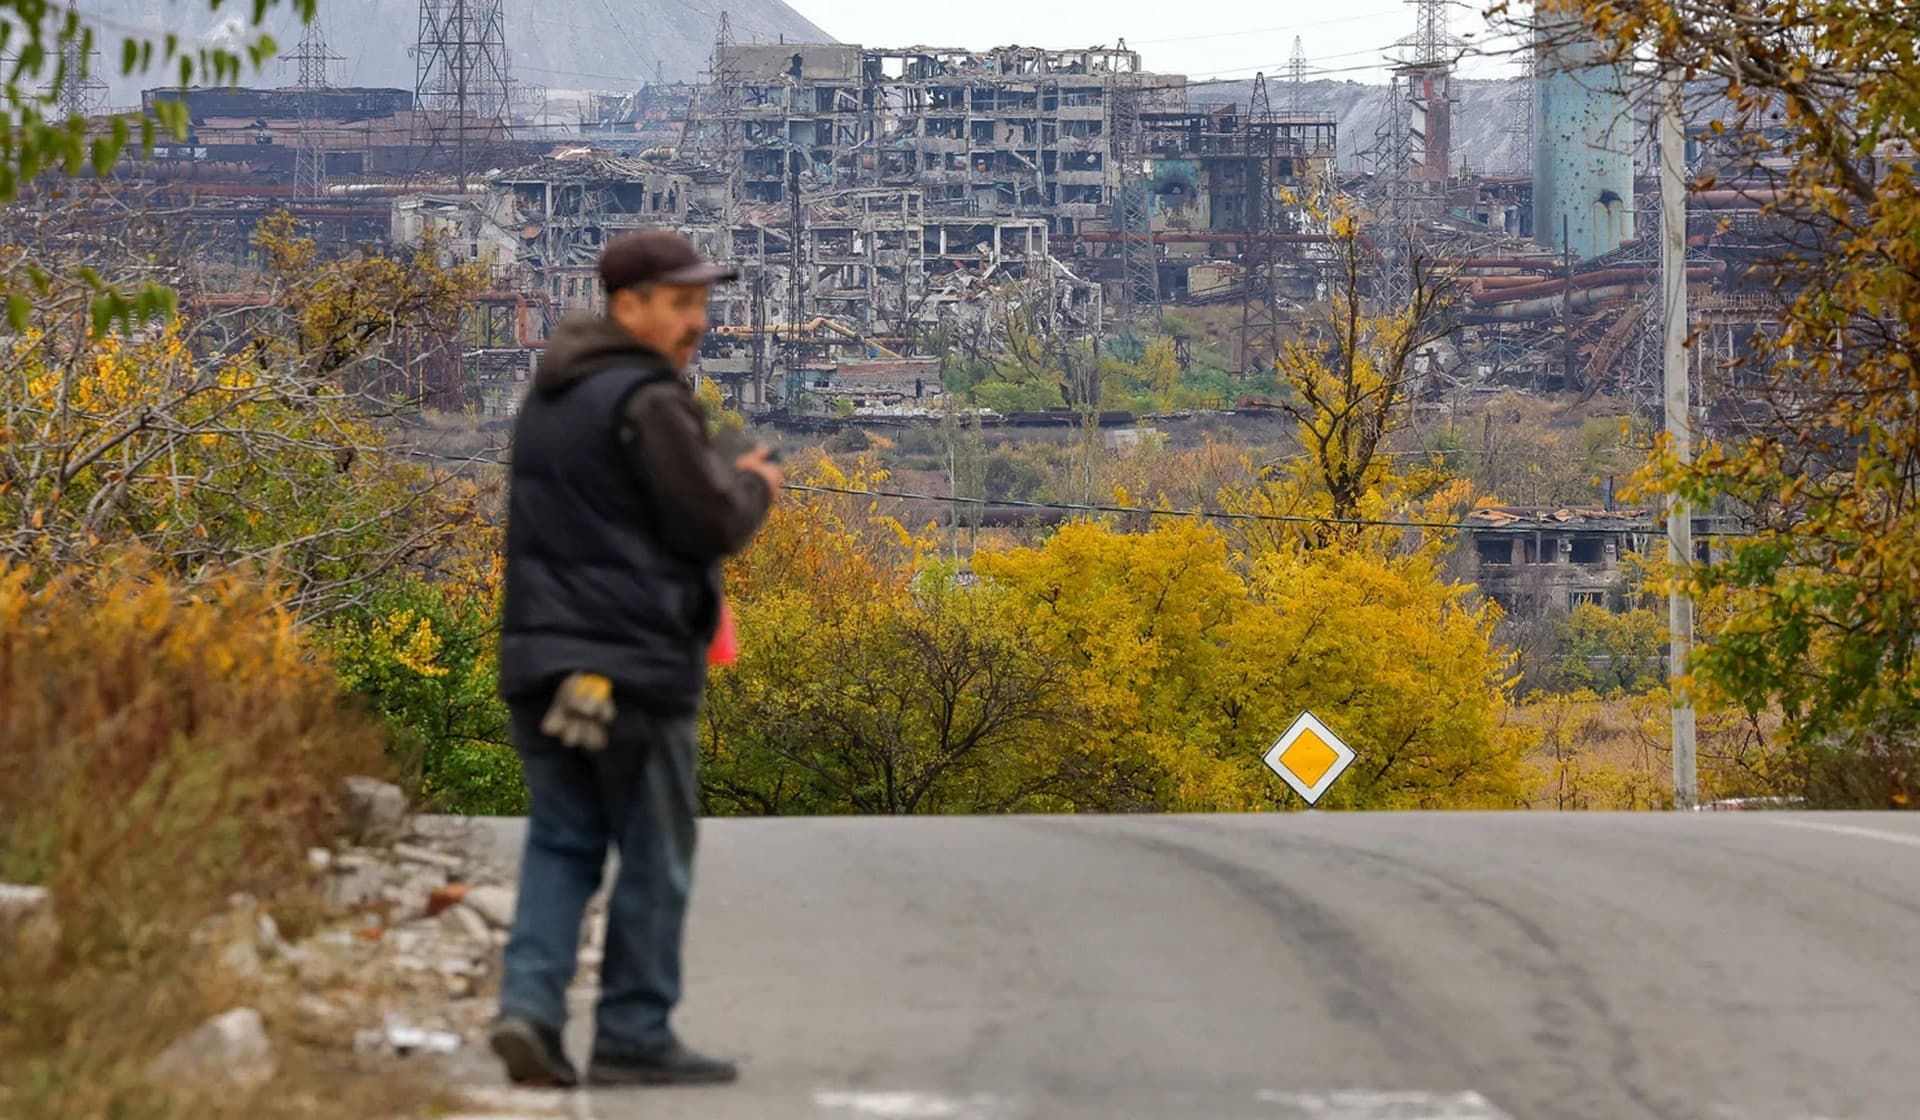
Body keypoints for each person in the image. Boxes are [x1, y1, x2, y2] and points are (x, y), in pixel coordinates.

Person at [488, 229, 782, 1089]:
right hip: (628, 663)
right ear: (629, 306)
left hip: (542, 660)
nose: (697, 321)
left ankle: (530, 1012)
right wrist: (754, 482)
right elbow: (707, 523)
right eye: (681, 303)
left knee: (563, 841)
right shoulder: (649, 399)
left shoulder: (549, 396)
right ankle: (633, 1030)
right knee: (654, 849)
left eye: (701, 303)